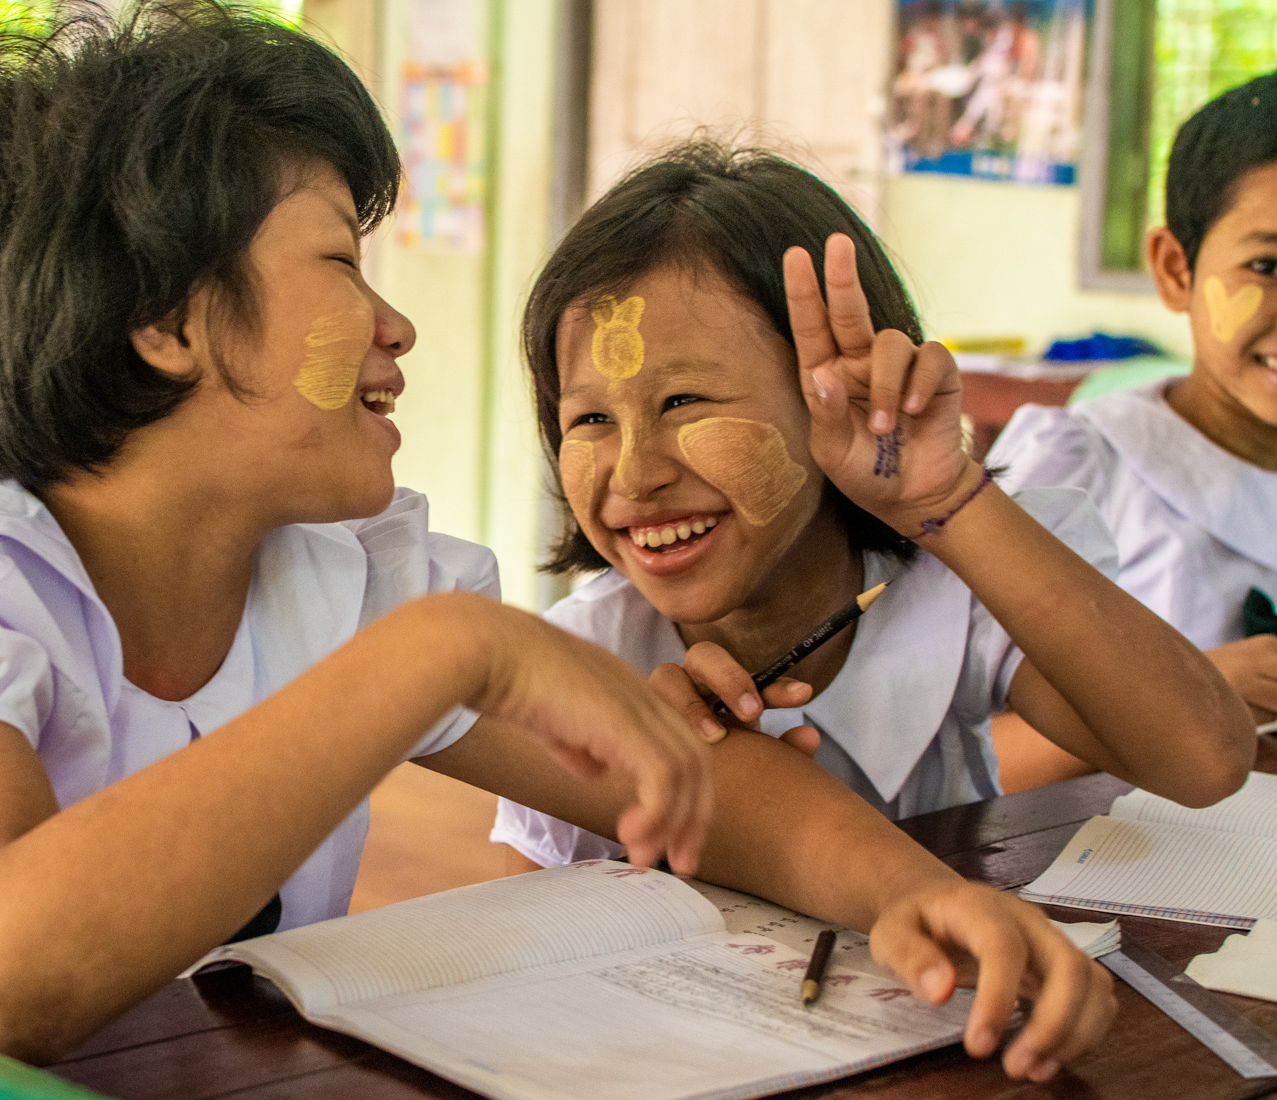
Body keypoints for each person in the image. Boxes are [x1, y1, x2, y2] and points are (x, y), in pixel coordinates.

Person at [0, 7, 1114, 1079]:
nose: (396, 326)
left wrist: (910, 898)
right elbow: (7, 977)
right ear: (166, 320)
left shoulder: (354, 577)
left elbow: (718, 789)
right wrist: (443, 655)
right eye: (341, 264)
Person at [492, 141, 1250, 872]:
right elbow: (527, 956)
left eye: (684, 401)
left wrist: (950, 499)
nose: (635, 473)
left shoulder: (954, 594)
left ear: (840, 400)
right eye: (589, 419)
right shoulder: (581, 666)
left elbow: (1203, 761)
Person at [989, 72, 1277, 789]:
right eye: (1267, 265)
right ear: (1175, 268)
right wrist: (1185, 699)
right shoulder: (1076, 476)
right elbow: (952, 757)